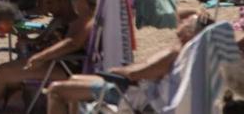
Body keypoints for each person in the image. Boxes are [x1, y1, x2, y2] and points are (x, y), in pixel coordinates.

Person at [45, 10, 212, 114]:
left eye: (186, 21)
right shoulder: (190, 53)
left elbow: (135, 75)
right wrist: (197, 11)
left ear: (191, 32)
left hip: (132, 94)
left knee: (56, 90)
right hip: (140, 90)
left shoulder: (174, 53)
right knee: (74, 80)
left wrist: (116, 70)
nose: (181, 21)